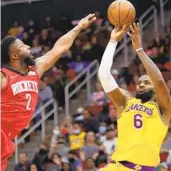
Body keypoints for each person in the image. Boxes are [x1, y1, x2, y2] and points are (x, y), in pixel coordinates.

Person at [1, 14, 96, 171]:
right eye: (23, 46)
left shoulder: (35, 69)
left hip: (6, 139)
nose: (29, 47)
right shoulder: (4, 76)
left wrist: (78, 27)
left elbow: (59, 48)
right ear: (14, 55)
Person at [98, 23, 171, 171]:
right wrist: (112, 41)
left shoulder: (163, 109)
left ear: (155, 91)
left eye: (146, 83)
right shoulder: (125, 102)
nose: (141, 85)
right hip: (116, 167)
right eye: (139, 83)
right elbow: (104, 76)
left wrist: (139, 50)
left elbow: (159, 81)